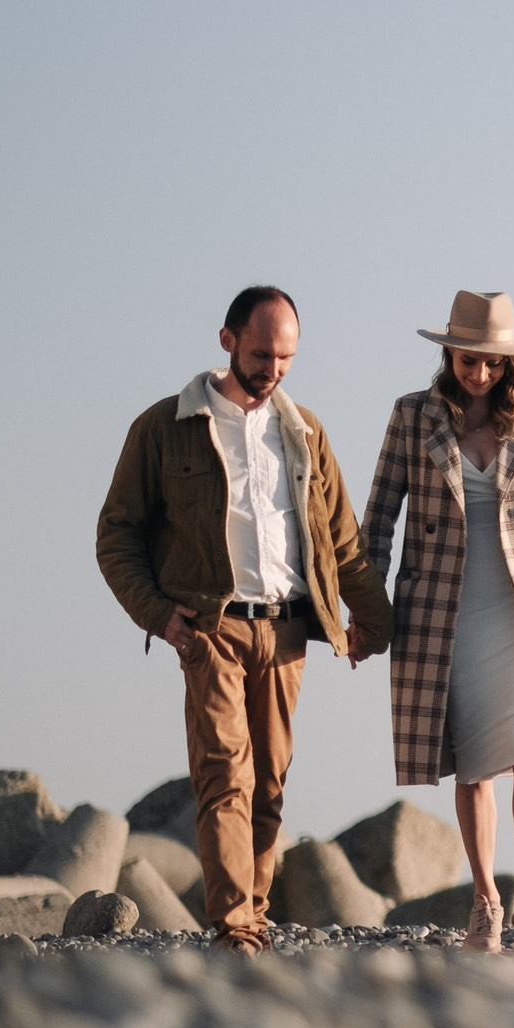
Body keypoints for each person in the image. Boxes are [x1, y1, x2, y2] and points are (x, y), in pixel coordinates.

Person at [97, 286, 393, 955]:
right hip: (211, 629)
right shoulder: (163, 427)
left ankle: (253, 915)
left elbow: (342, 542)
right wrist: (158, 616)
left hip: (289, 633)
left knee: (269, 783)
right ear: (227, 341)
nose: (274, 367)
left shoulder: (305, 431)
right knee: (225, 773)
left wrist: (373, 623)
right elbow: (115, 534)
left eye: (286, 355)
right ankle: (236, 931)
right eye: (262, 353)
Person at [365, 291, 514, 952]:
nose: (480, 374)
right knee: (474, 761)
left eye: (493, 364)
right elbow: (379, 518)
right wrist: (365, 609)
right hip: (445, 606)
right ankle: (484, 901)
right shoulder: (412, 417)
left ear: (509, 363)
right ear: (449, 352)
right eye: (470, 360)